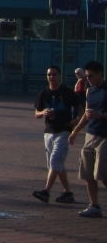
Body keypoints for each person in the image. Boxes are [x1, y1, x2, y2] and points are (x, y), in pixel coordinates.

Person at [32, 66, 79, 203]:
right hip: (49, 131)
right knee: (57, 164)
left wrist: (77, 120)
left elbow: (80, 108)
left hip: (64, 130)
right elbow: (37, 113)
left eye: (54, 74)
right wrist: (43, 112)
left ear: (59, 76)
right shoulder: (43, 93)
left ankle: (46, 191)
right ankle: (68, 193)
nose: (51, 77)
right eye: (49, 75)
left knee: (55, 161)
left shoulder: (67, 92)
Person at [68, 60, 107, 218]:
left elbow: (96, 114)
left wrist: (101, 116)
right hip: (91, 134)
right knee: (87, 172)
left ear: (100, 73)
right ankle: (94, 205)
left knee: (102, 173)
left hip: (104, 136)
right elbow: (86, 113)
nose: (88, 79)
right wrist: (75, 131)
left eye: (91, 76)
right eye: (87, 76)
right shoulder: (90, 91)